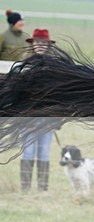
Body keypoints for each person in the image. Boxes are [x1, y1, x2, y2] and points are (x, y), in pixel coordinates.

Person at [19, 28, 57, 192]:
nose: (40, 45)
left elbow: (56, 95)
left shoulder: (55, 67)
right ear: (32, 44)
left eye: (43, 43)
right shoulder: (24, 65)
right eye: (37, 42)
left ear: (48, 45)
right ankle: (25, 187)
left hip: (46, 121)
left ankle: (42, 188)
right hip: (27, 120)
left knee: (44, 155)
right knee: (27, 153)